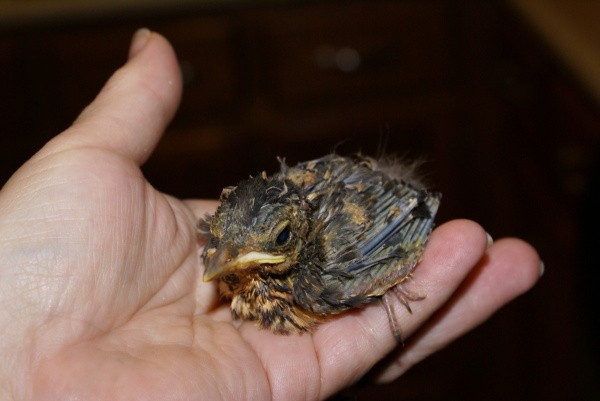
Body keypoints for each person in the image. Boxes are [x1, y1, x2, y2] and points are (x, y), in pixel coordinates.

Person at [0, 29, 542, 400]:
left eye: (277, 240)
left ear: (298, 237)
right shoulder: (229, 256)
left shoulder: (321, 276)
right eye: (225, 247)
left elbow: (407, 205)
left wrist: (382, 278)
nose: (222, 264)